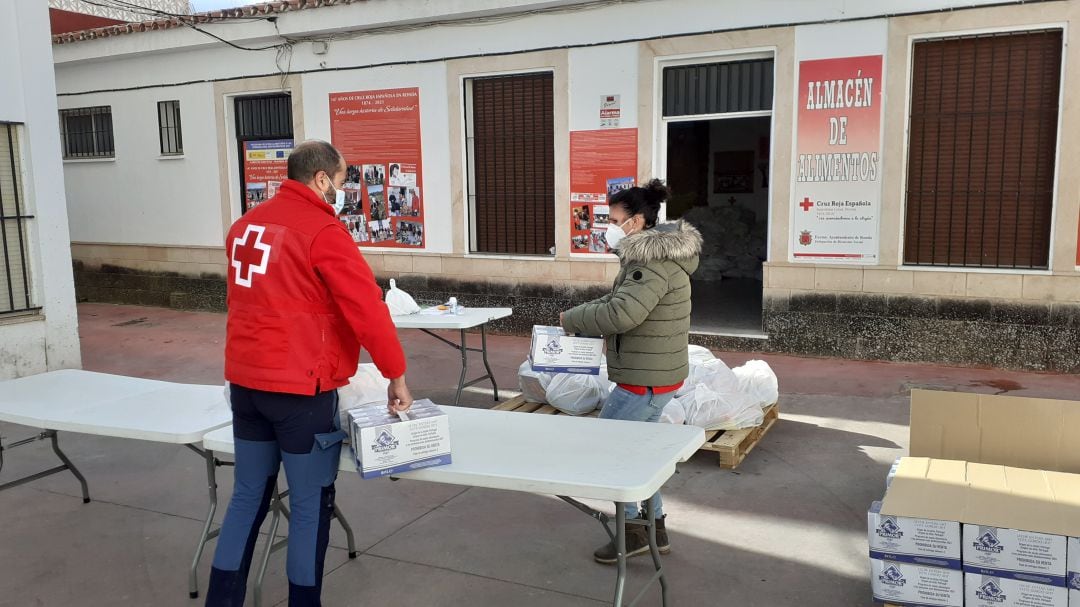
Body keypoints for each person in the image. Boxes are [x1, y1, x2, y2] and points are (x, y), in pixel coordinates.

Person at [208, 140, 413, 607]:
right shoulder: (323, 231)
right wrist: (395, 374)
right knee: (308, 504)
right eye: (341, 183)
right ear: (321, 179)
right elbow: (367, 309)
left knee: (246, 498)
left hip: (246, 385)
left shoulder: (244, 227)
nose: (341, 192)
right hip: (301, 391)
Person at [559, 179, 701, 565]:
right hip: (656, 373)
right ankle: (654, 528)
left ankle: (634, 533)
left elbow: (622, 313)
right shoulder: (651, 257)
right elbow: (617, 299)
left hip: (645, 379)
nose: (608, 224)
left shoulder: (649, 262)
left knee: (615, 455)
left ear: (636, 221)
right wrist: (585, 311)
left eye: (614, 217)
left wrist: (570, 319)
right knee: (638, 454)